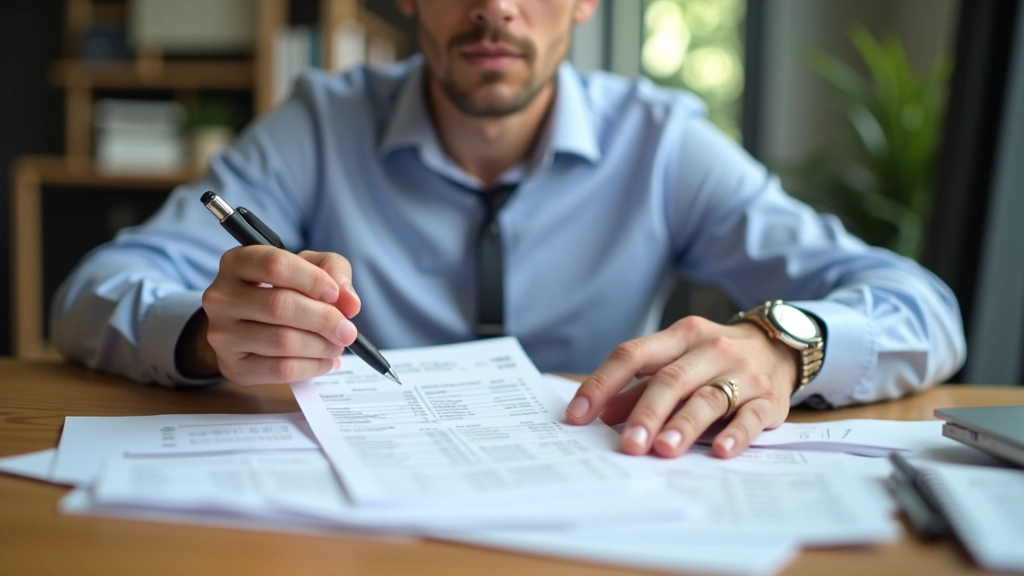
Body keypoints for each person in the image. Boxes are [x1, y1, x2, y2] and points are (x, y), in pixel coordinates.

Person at [51, 0, 965, 460]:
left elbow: (922, 306)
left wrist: (784, 345)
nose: (495, 6)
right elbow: (94, 290)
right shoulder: (319, 127)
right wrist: (206, 336)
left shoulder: (662, 144)